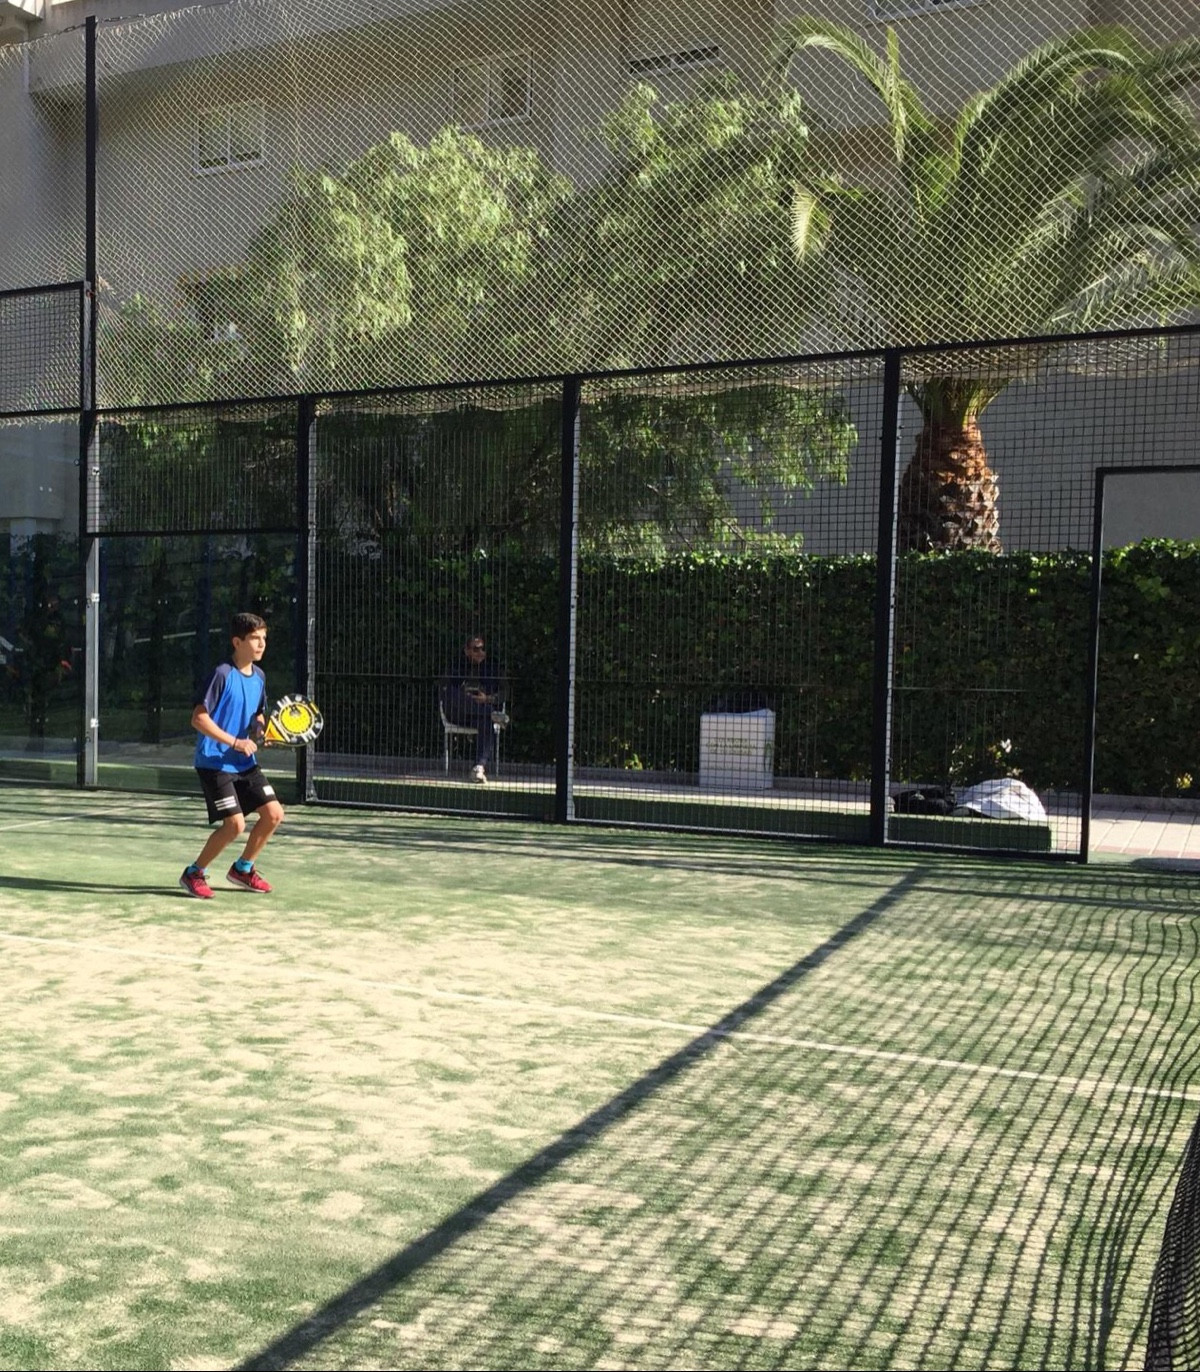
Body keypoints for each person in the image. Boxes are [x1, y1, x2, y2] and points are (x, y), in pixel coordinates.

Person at [179, 611, 285, 899]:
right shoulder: (222, 674)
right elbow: (198, 718)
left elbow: (258, 714)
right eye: (255, 638)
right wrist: (236, 742)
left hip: (245, 764)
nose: (261, 644)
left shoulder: (259, 677)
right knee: (235, 825)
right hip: (214, 762)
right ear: (237, 642)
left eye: (264, 638)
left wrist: (260, 730)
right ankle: (194, 873)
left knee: (274, 814)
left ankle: (243, 869)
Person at [440, 633, 506, 783]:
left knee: (486, 723)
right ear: (467, 650)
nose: (480, 653)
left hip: (479, 714)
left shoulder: (492, 668)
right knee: (453, 693)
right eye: (476, 649)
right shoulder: (456, 666)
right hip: (458, 713)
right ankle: (492, 714)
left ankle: (478, 767)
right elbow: (445, 692)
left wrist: (488, 698)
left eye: (483, 649)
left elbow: (505, 693)